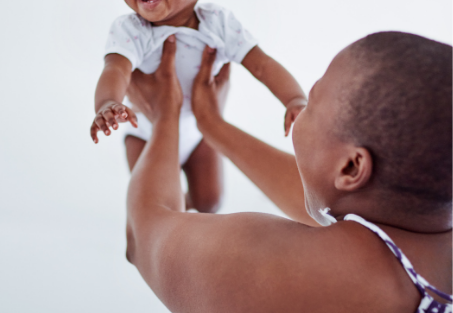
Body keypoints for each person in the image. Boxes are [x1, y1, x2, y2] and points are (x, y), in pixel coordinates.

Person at [123, 31, 451, 312]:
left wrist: (167, 114)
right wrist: (211, 125)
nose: (302, 109)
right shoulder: (427, 228)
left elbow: (144, 232)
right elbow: (336, 198)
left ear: (351, 166)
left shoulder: (325, 278)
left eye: (312, 102)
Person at [90, 0, 306, 213]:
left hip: (201, 132)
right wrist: (107, 103)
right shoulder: (131, 29)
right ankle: (153, 225)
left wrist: (294, 98)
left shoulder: (218, 24)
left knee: (211, 202)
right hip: (145, 132)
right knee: (154, 206)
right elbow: (115, 69)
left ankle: (188, 213)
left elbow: (262, 65)